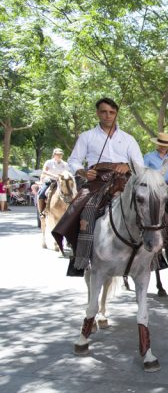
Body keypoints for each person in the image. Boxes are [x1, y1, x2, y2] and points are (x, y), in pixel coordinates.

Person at [52, 97, 144, 276]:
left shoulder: (128, 139)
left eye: (112, 112)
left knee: (149, 205)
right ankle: (81, 256)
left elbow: (139, 163)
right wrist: (83, 172)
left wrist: (128, 166)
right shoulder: (87, 136)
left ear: (116, 114)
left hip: (125, 179)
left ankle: (154, 256)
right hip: (97, 180)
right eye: (104, 112)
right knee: (83, 209)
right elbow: (74, 160)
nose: (108, 115)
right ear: (97, 113)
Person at [37, 148, 72, 215]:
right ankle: (41, 212)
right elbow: (44, 171)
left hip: (62, 182)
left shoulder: (65, 164)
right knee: (41, 194)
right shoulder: (49, 162)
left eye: (61, 154)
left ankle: (71, 212)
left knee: (72, 193)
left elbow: (68, 173)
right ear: (54, 154)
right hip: (50, 181)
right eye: (57, 154)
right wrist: (55, 176)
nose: (59, 155)